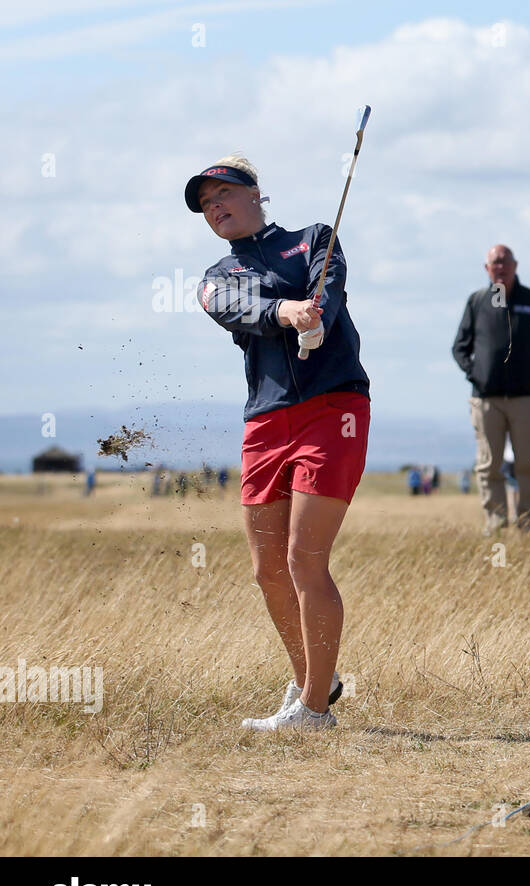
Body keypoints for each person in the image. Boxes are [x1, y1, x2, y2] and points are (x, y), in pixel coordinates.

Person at [187, 154, 367, 731]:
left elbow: (328, 284)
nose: (215, 208)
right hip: (266, 419)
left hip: (333, 406)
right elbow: (234, 310)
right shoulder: (217, 277)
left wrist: (318, 315)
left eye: (223, 195)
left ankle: (314, 711)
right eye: (206, 204)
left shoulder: (314, 237)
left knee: (303, 558)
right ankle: (316, 678)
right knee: (267, 570)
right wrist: (286, 312)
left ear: (255, 192)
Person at [453, 244, 530, 532]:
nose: (500, 267)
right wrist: (475, 374)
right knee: (489, 466)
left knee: (529, 464)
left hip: (526, 399)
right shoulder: (477, 301)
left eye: (504, 261)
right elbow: (459, 347)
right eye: (494, 262)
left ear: (515, 265)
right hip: (486, 400)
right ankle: (496, 524)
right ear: (486, 268)